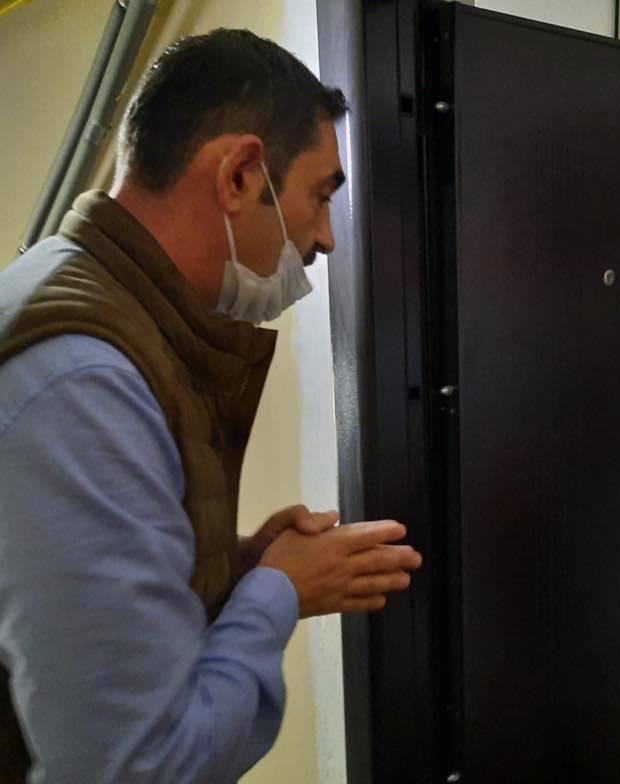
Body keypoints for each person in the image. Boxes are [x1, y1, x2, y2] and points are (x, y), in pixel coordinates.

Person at [0, 29, 422, 783]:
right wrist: (277, 590)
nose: (326, 238)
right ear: (239, 176)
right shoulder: (84, 383)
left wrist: (231, 564)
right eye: (320, 196)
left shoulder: (81, 294)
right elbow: (141, 768)